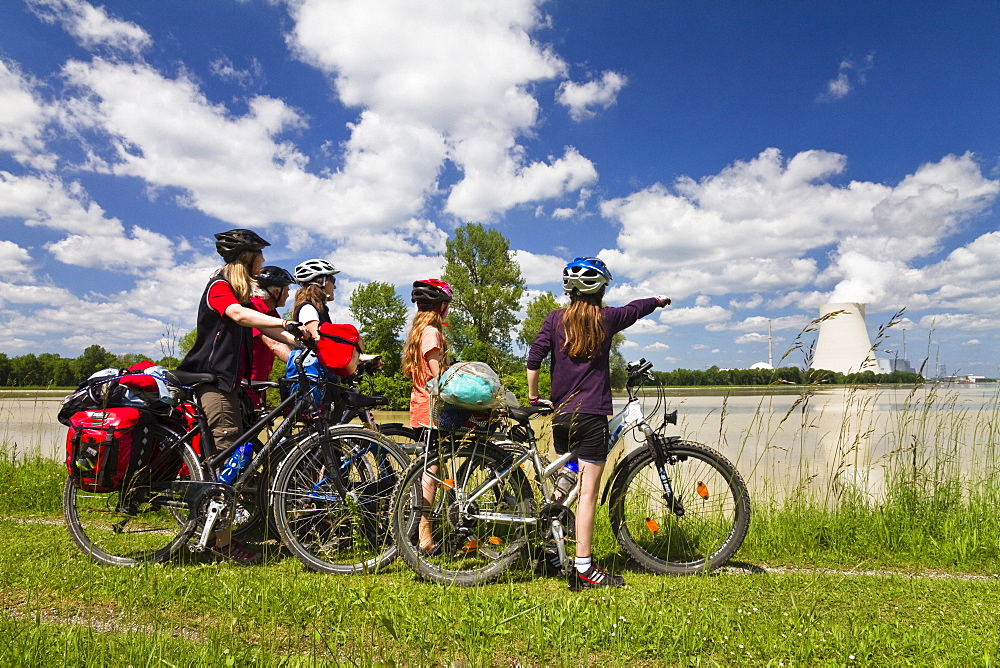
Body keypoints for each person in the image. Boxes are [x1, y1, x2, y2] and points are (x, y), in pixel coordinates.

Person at [526, 257, 669, 590]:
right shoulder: (607, 318)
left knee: (568, 477)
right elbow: (636, 308)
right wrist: (658, 300)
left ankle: (550, 547)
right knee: (587, 493)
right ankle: (583, 568)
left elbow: (534, 358)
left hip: (562, 417)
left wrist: (535, 398)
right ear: (601, 289)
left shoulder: (554, 320)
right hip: (591, 417)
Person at [177, 229, 303, 564]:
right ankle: (219, 544)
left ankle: (214, 533)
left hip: (231, 385)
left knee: (235, 456)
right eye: (259, 255)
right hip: (213, 382)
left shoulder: (242, 295)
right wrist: (288, 324)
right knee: (228, 456)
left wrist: (305, 344)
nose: (263, 261)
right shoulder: (220, 287)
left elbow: (266, 328)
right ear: (246, 257)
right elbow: (237, 315)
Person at [400, 279, 452, 554]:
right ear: (441, 307)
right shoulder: (432, 332)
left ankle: (423, 530)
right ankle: (424, 535)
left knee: (432, 468)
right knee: (430, 473)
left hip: (421, 407)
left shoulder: (420, 331)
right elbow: (437, 376)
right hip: (431, 410)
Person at [247, 266, 296, 409]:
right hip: (246, 383)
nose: (288, 294)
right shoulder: (253, 309)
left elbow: (287, 340)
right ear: (276, 292)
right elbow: (274, 343)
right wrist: (305, 364)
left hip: (259, 383)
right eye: (287, 290)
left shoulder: (272, 313)